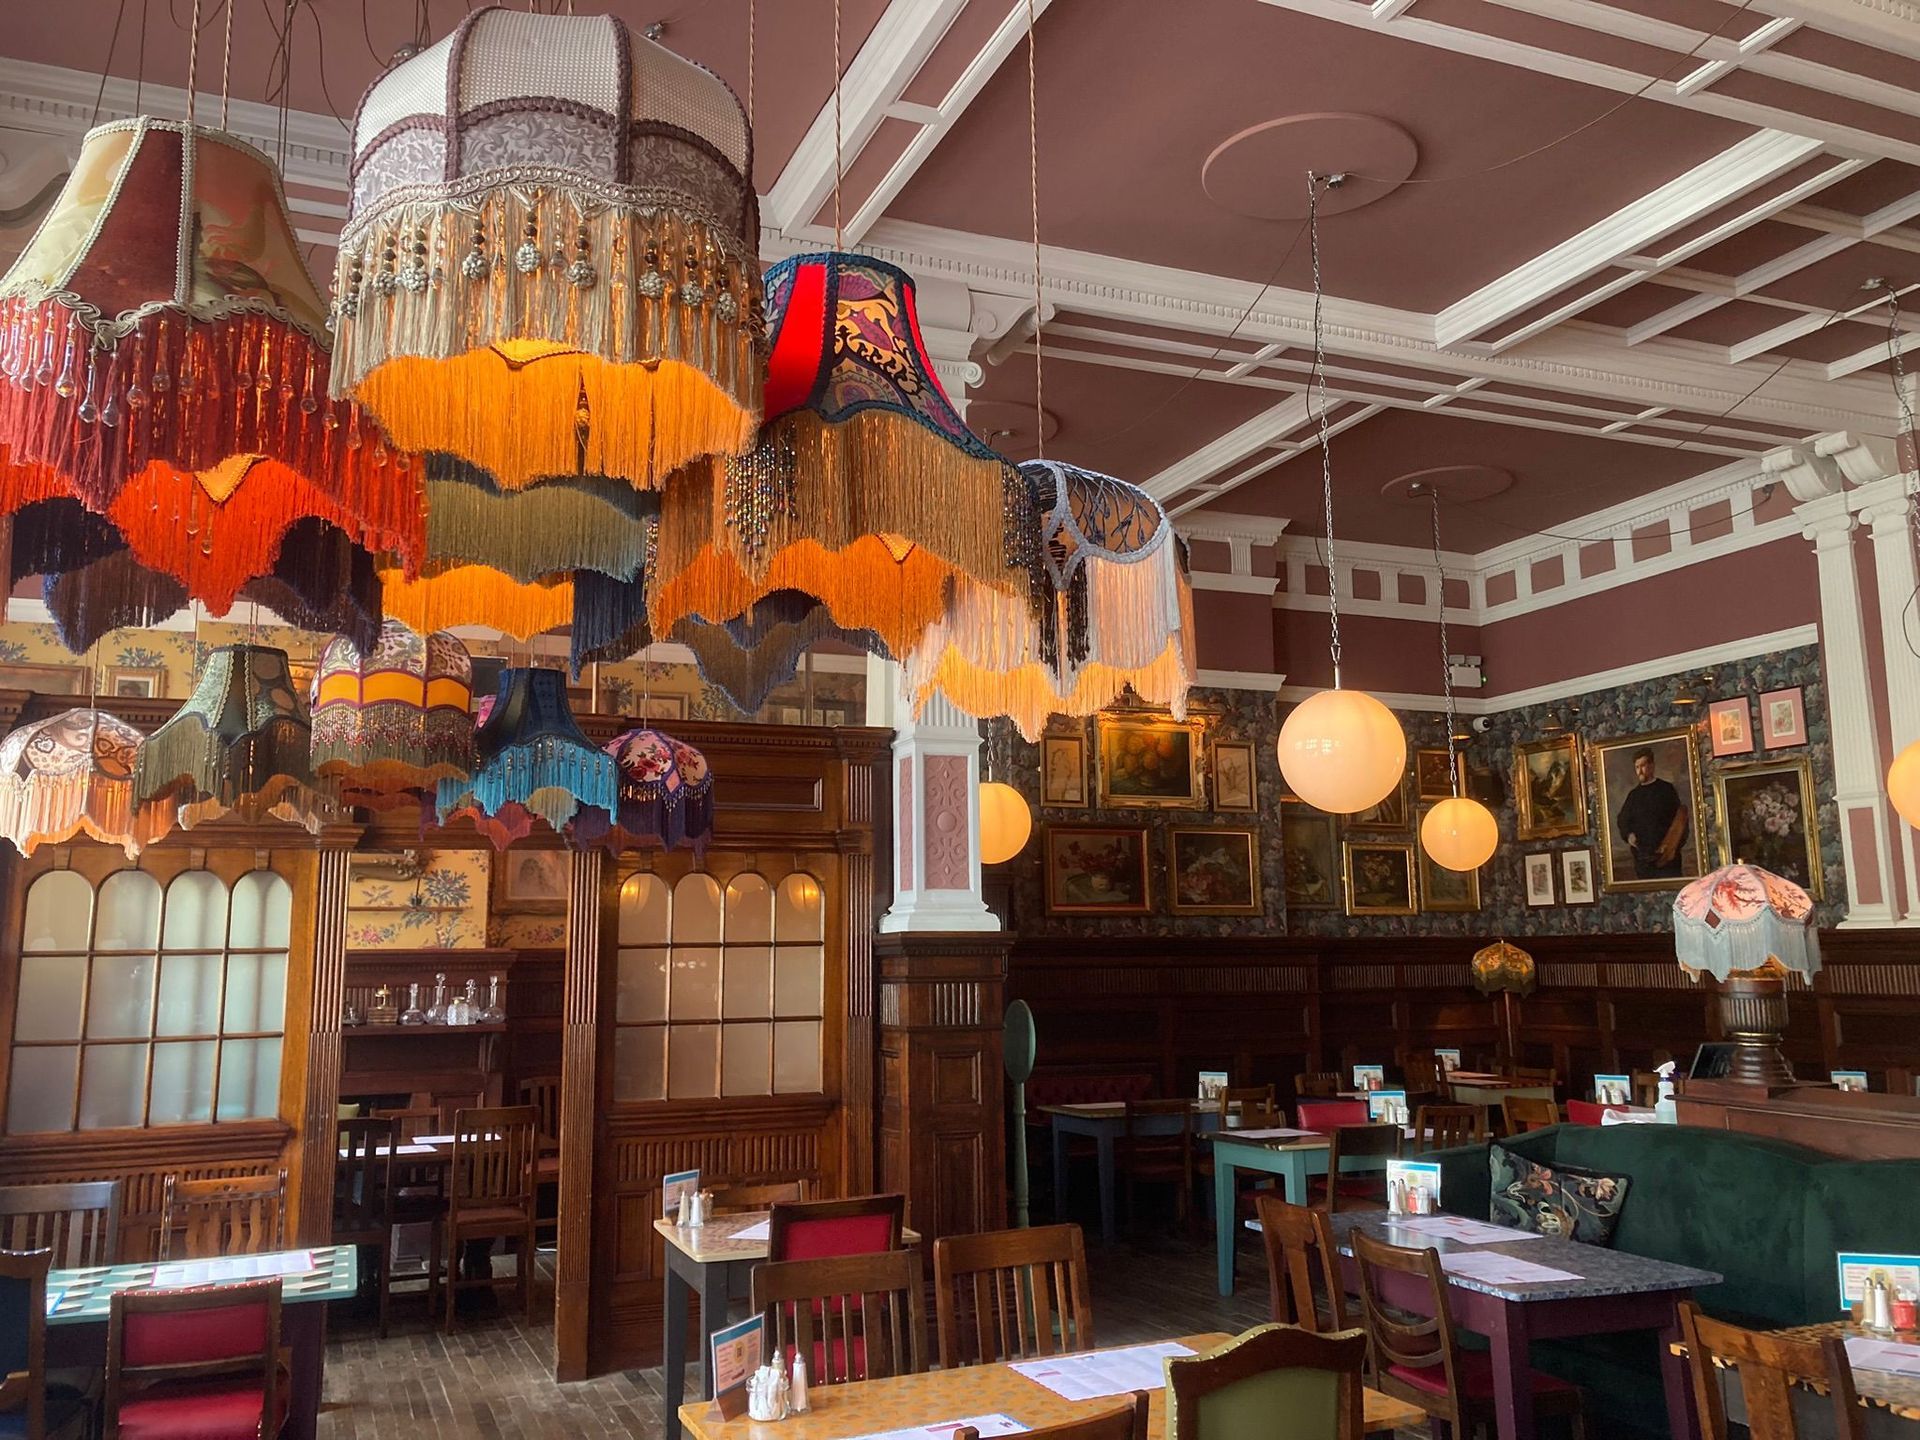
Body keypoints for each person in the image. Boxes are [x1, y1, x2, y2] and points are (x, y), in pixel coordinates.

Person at [1616, 747, 1690, 878]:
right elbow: (1623, 819)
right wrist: (1629, 835)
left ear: (1652, 766)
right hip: (1643, 858)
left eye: (1643, 766)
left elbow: (1680, 821)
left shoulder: (1666, 789)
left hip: (1667, 857)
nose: (1640, 771)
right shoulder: (1634, 795)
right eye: (1637, 767)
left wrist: (1671, 847)